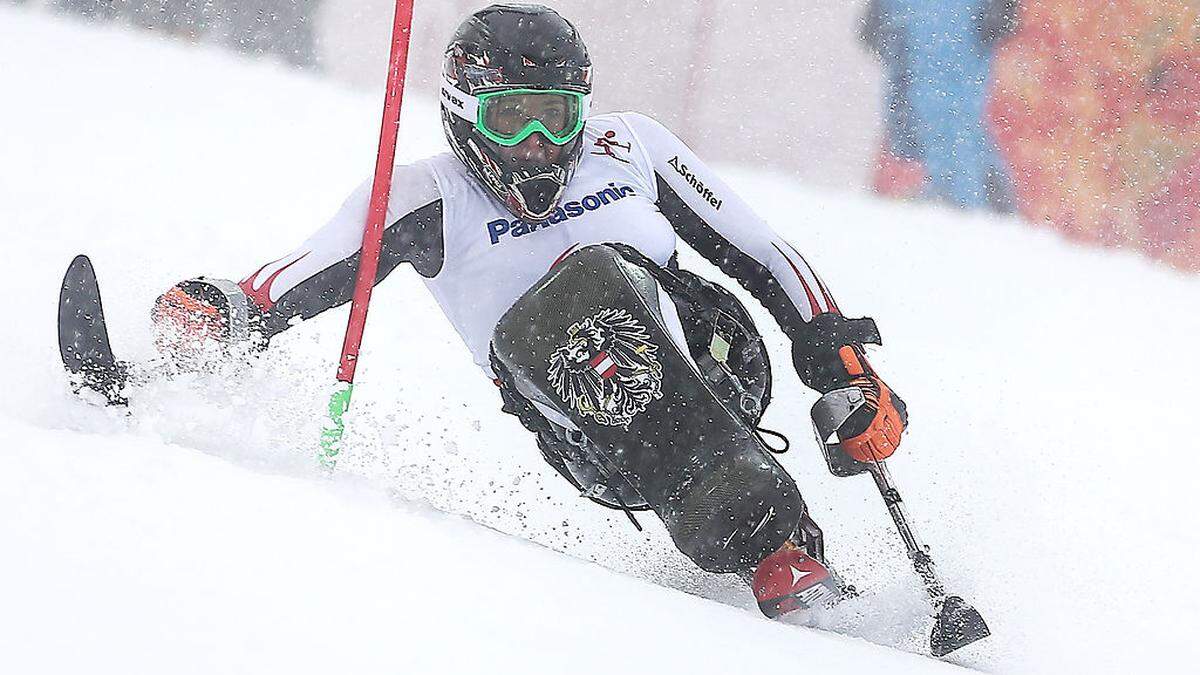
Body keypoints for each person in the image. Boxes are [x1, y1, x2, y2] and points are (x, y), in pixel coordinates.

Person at [151, 4, 909, 618]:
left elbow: (764, 252)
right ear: (464, 112)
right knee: (573, 296)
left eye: (557, 115)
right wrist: (222, 312)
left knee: (601, 275)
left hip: (713, 360)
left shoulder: (628, 145)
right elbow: (298, 277)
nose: (541, 145)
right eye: (514, 119)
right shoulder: (428, 197)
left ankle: (781, 549)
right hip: (590, 426)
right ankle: (756, 533)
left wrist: (843, 363)